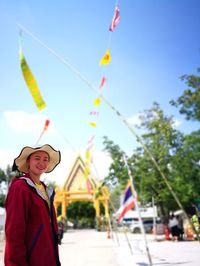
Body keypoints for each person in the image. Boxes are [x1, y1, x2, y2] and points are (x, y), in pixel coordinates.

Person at [4, 144, 61, 266]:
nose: (42, 162)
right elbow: (14, 232)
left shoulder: (45, 190)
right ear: (28, 161)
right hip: (31, 260)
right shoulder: (20, 188)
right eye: (37, 158)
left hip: (48, 258)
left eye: (45, 159)